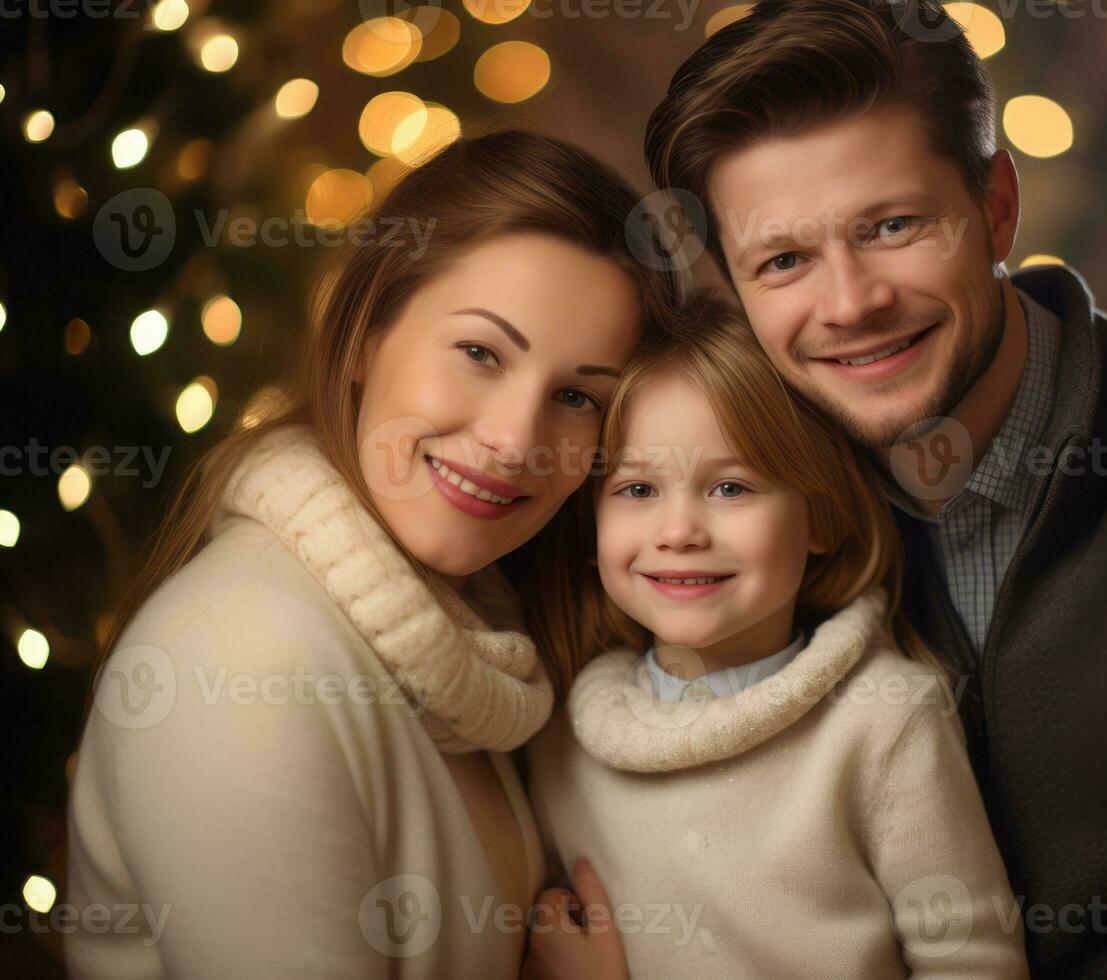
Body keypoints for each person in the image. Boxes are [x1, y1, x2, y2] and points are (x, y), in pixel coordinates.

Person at [639, 1, 1107, 977]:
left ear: (995, 203)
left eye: (892, 224)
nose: (849, 302)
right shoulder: (713, 524)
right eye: (781, 260)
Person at [65, 128, 679, 979]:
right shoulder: (245, 659)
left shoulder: (478, 652)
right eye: (478, 353)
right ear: (362, 333)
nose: (512, 441)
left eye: (576, 396)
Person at [526, 292, 1030, 979]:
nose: (678, 532)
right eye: (637, 490)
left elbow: (975, 965)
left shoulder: (884, 721)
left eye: (731, 488)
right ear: (591, 527)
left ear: (819, 517)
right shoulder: (562, 739)